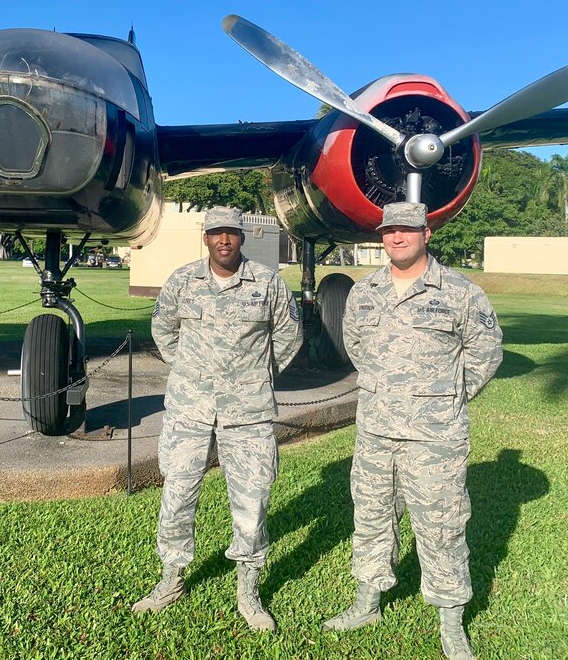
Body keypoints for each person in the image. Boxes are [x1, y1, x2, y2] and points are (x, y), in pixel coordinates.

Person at [325, 202, 502, 660]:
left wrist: (444, 396)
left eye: (406, 230)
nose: (396, 237)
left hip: (435, 436)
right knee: (371, 517)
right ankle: (368, 602)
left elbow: (486, 351)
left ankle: (451, 621)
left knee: (441, 525)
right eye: (388, 231)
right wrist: (390, 390)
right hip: (376, 431)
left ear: (427, 233)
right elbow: (356, 346)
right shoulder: (365, 293)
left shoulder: (460, 291)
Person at [133, 206, 303, 631]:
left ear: (242, 238)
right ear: (205, 238)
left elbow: (289, 335)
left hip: (248, 415)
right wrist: (191, 372)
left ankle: (248, 590)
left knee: (252, 504)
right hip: (190, 411)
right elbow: (163, 329)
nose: (224, 240)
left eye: (231, 233)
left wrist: (256, 376)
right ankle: (171, 580)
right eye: (216, 233)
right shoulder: (182, 281)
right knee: (177, 497)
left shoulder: (267, 284)